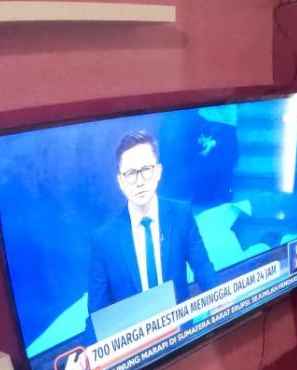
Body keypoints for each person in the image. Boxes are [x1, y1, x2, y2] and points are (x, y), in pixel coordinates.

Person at [87, 130, 218, 316]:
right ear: (120, 181)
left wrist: (219, 301)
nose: (139, 182)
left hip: (183, 330)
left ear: (158, 172)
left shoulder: (181, 215)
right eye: (131, 174)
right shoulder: (103, 240)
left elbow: (203, 268)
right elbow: (97, 314)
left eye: (146, 170)